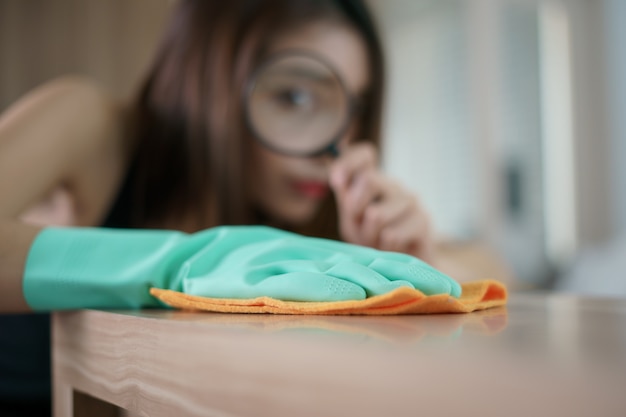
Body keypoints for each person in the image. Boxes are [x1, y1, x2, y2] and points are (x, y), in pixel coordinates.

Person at [0, 1, 511, 415]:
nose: (333, 144)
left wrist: (416, 264)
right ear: (211, 73)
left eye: (353, 106)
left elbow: (492, 268)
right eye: (294, 97)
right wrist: (187, 262)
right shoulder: (93, 128)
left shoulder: (291, 228)